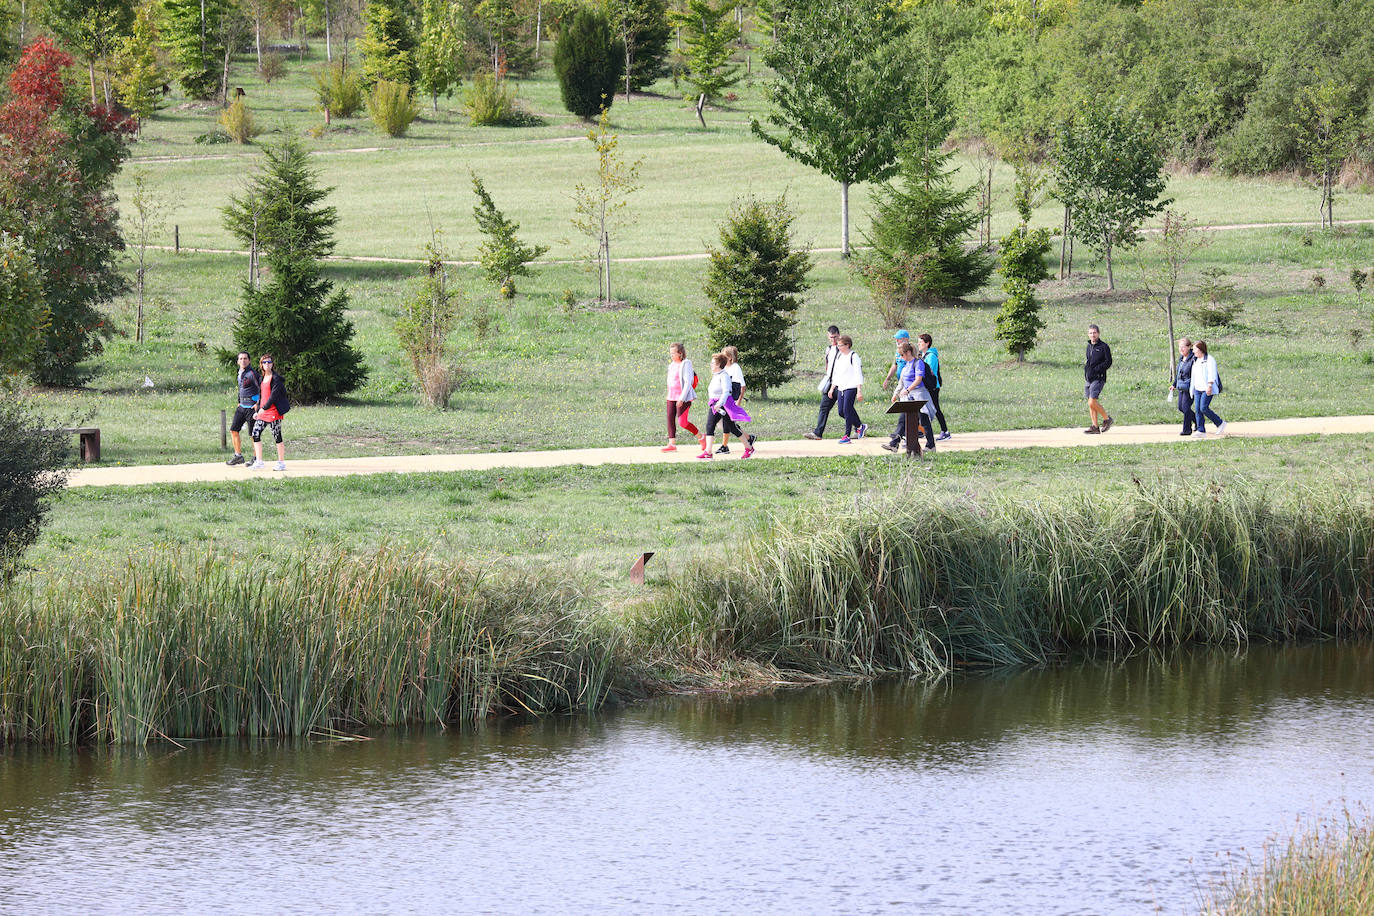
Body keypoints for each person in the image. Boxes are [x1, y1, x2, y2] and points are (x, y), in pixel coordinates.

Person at [882, 340, 936, 454]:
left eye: (902, 355)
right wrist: (896, 394)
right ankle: (894, 444)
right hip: (908, 399)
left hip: (919, 396)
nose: (901, 358)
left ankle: (931, 445)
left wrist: (907, 390)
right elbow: (902, 382)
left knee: (924, 421)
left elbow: (918, 379)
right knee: (903, 420)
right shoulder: (906, 366)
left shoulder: (918, 363)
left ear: (908, 353)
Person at [250, 354, 288, 471]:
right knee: (255, 433)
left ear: (272, 364)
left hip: (273, 411)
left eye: (269, 362)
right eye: (264, 362)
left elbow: (273, 397)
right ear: (261, 365)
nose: (267, 364)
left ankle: (281, 463)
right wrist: (258, 408)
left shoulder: (276, 379)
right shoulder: (262, 378)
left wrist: (264, 408)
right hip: (263, 411)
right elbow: (262, 395)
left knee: (277, 435)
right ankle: (259, 461)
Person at [663, 343, 703, 453]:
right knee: (670, 418)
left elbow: (688, 382)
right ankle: (672, 444)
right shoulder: (671, 365)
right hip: (671, 396)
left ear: (680, 353)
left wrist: (681, 398)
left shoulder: (686, 364)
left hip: (683, 397)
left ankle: (700, 436)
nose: (671, 355)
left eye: (673, 353)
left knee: (683, 422)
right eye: (670, 353)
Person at [716, 345, 756, 457]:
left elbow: (742, 386)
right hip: (723, 399)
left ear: (729, 357)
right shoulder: (724, 368)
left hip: (731, 399)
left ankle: (725, 446)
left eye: (724, 355)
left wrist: (739, 401)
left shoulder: (735, 368)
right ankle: (748, 438)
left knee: (727, 423)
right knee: (726, 423)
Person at [803, 326, 841, 440]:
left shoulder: (843, 349)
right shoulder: (828, 349)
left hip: (840, 383)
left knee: (844, 410)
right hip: (829, 382)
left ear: (839, 335)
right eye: (831, 337)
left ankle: (859, 426)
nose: (833, 340)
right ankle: (818, 433)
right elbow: (827, 363)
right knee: (824, 407)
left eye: (835, 337)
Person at [829, 335, 867, 444]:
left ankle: (847, 435)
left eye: (840, 345)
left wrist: (859, 390)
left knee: (847, 409)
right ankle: (860, 425)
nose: (839, 347)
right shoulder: (839, 356)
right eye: (838, 345)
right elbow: (836, 373)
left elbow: (858, 374)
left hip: (851, 387)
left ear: (847, 345)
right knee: (842, 412)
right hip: (841, 387)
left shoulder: (854, 356)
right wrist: (832, 388)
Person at [226, 351, 260, 466]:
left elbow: (262, 388)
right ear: (237, 361)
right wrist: (239, 402)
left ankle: (256, 457)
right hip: (242, 407)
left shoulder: (252, 374)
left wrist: (258, 404)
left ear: (249, 361)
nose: (243, 361)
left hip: (251, 408)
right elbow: (241, 388)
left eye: (245, 358)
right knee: (234, 430)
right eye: (240, 359)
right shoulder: (240, 372)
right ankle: (238, 456)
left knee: (253, 434)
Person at [1190, 340, 1228, 438]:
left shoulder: (1209, 359)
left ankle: (1220, 423)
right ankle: (1201, 430)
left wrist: (1210, 385)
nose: (1193, 351)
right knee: (1198, 409)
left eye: (1194, 349)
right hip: (1197, 388)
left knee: (1203, 408)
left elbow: (1212, 373)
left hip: (1207, 388)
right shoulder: (1196, 360)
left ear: (1200, 349)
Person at [917, 333, 950, 441]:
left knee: (935, 408)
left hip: (932, 386)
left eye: (920, 342)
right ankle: (921, 430)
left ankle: (945, 431)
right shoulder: (924, 355)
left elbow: (929, 371)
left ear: (927, 343)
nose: (918, 344)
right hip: (927, 386)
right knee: (925, 408)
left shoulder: (931, 356)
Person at [698, 353, 732, 459]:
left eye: (713, 363)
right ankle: (708, 452)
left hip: (722, 405)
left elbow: (726, 392)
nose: (711, 364)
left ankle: (748, 446)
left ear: (718, 364)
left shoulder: (724, 375)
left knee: (733, 428)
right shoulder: (716, 375)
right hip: (714, 405)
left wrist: (719, 403)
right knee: (710, 426)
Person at [1083, 324, 1114, 434]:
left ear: (1098, 333)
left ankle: (1107, 419)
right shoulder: (1089, 346)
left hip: (1098, 378)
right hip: (1089, 378)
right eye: (1091, 333)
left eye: (1094, 333)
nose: (1093, 335)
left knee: (1092, 402)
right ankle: (1095, 427)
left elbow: (1108, 361)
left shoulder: (1103, 346)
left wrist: (1097, 369)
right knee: (1091, 403)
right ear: (1088, 334)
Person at [1171, 337, 1195, 436]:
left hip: (1189, 387)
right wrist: (1174, 384)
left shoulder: (1193, 359)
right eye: (1180, 347)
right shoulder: (1181, 359)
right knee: (1181, 407)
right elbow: (1178, 374)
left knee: (1185, 407)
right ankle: (1198, 420)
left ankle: (1187, 429)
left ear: (1189, 347)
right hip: (1181, 386)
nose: (1181, 349)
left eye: (1183, 347)